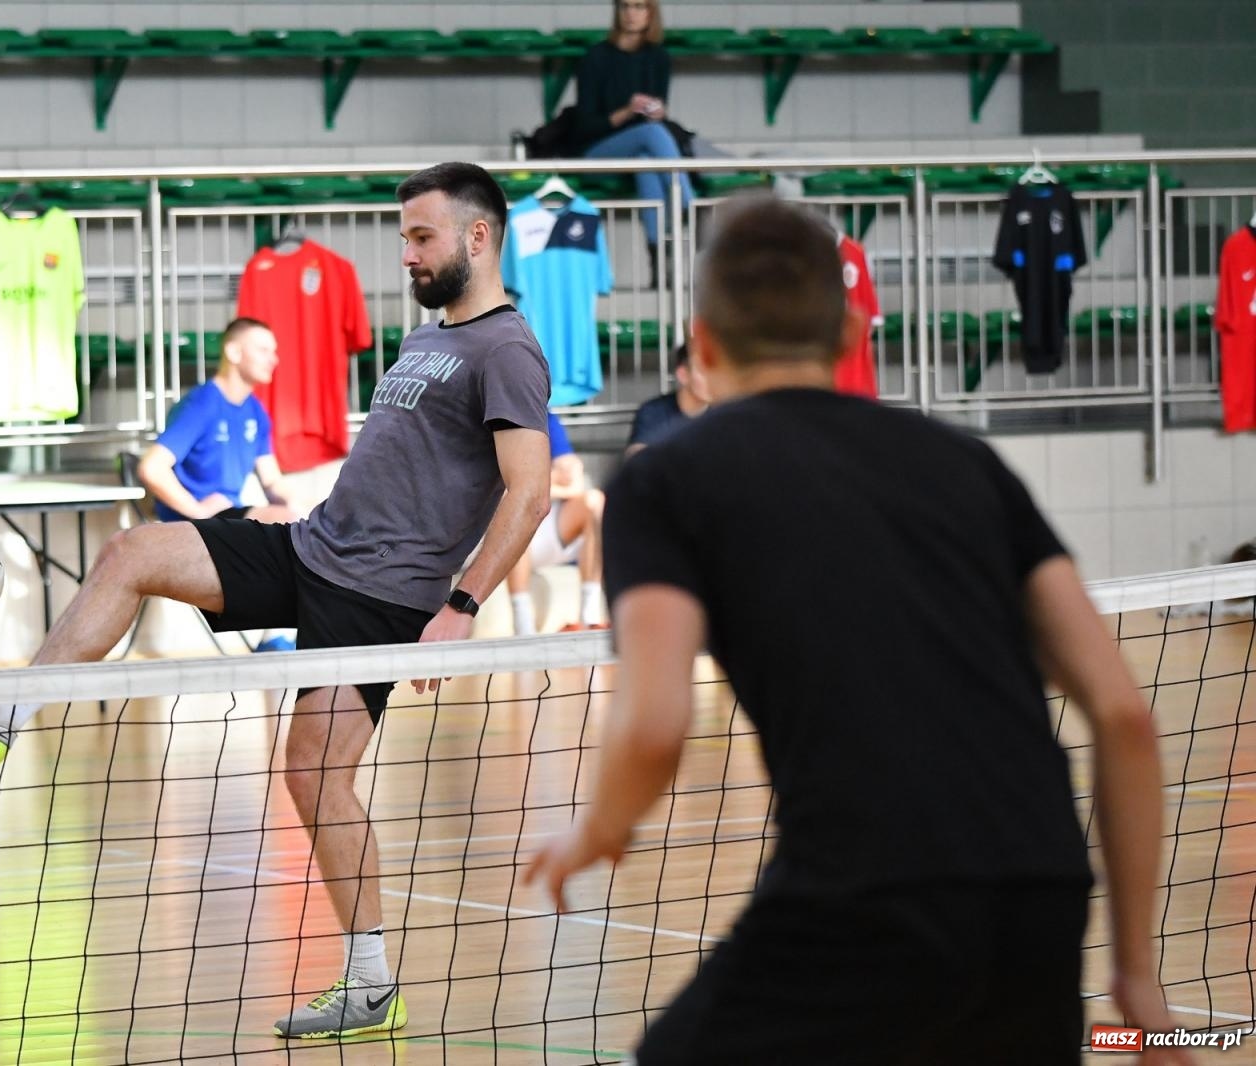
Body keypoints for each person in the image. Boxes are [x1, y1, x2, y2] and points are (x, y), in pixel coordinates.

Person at [524, 197, 1190, 1065]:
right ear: (848, 333)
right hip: (1039, 896)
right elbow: (1125, 715)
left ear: (705, 344)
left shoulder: (666, 480)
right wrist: (1136, 975)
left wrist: (597, 832)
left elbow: (653, 723)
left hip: (864, 896)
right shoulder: (965, 462)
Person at [0, 162, 553, 1042]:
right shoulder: (426, 337)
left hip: (379, 595)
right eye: (404, 236)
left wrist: (463, 605)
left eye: (422, 237)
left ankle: (371, 987)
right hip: (313, 545)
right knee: (133, 553)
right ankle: (1, 714)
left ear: (478, 237)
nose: (406, 253)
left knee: (315, 774)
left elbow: (530, 491)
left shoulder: (506, 350)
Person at [573, 0, 695, 277]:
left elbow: (655, 113)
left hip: (638, 149)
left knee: (646, 162)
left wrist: (657, 112)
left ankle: (659, 261)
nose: (630, 13)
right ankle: (689, 205)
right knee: (652, 134)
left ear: (651, 14)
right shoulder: (596, 57)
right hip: (595, 151)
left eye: (639, 7)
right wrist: (627, 111)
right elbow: (584, 126)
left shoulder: (658, 57)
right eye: (625, 6)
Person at [137, 316, 296, 524]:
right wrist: (197, 511)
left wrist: (299, 505)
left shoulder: (256, 411)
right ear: (234, 352)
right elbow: (152, 468)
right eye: (263, 350)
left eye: (273, 351)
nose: (273, 360)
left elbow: (271, 480)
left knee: (300, 520)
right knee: (287, 521)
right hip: (195, 523)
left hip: (228, 515)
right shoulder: (201, 404)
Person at [507, 412, 606, 633]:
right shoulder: (487, 420)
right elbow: (506, 491)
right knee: (512, 510)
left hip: (548, 525)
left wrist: (533, 484)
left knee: (595, 501)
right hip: (499, 535)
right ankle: (523, 622)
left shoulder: (547, 419)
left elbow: (575, 483)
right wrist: (547, 480)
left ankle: (589, 616)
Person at [624, 342, 709, 456]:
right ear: (683, 375)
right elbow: (636, 457)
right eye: (704, 371)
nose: (713, 378)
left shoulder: (726, 413)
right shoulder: (653, 412)